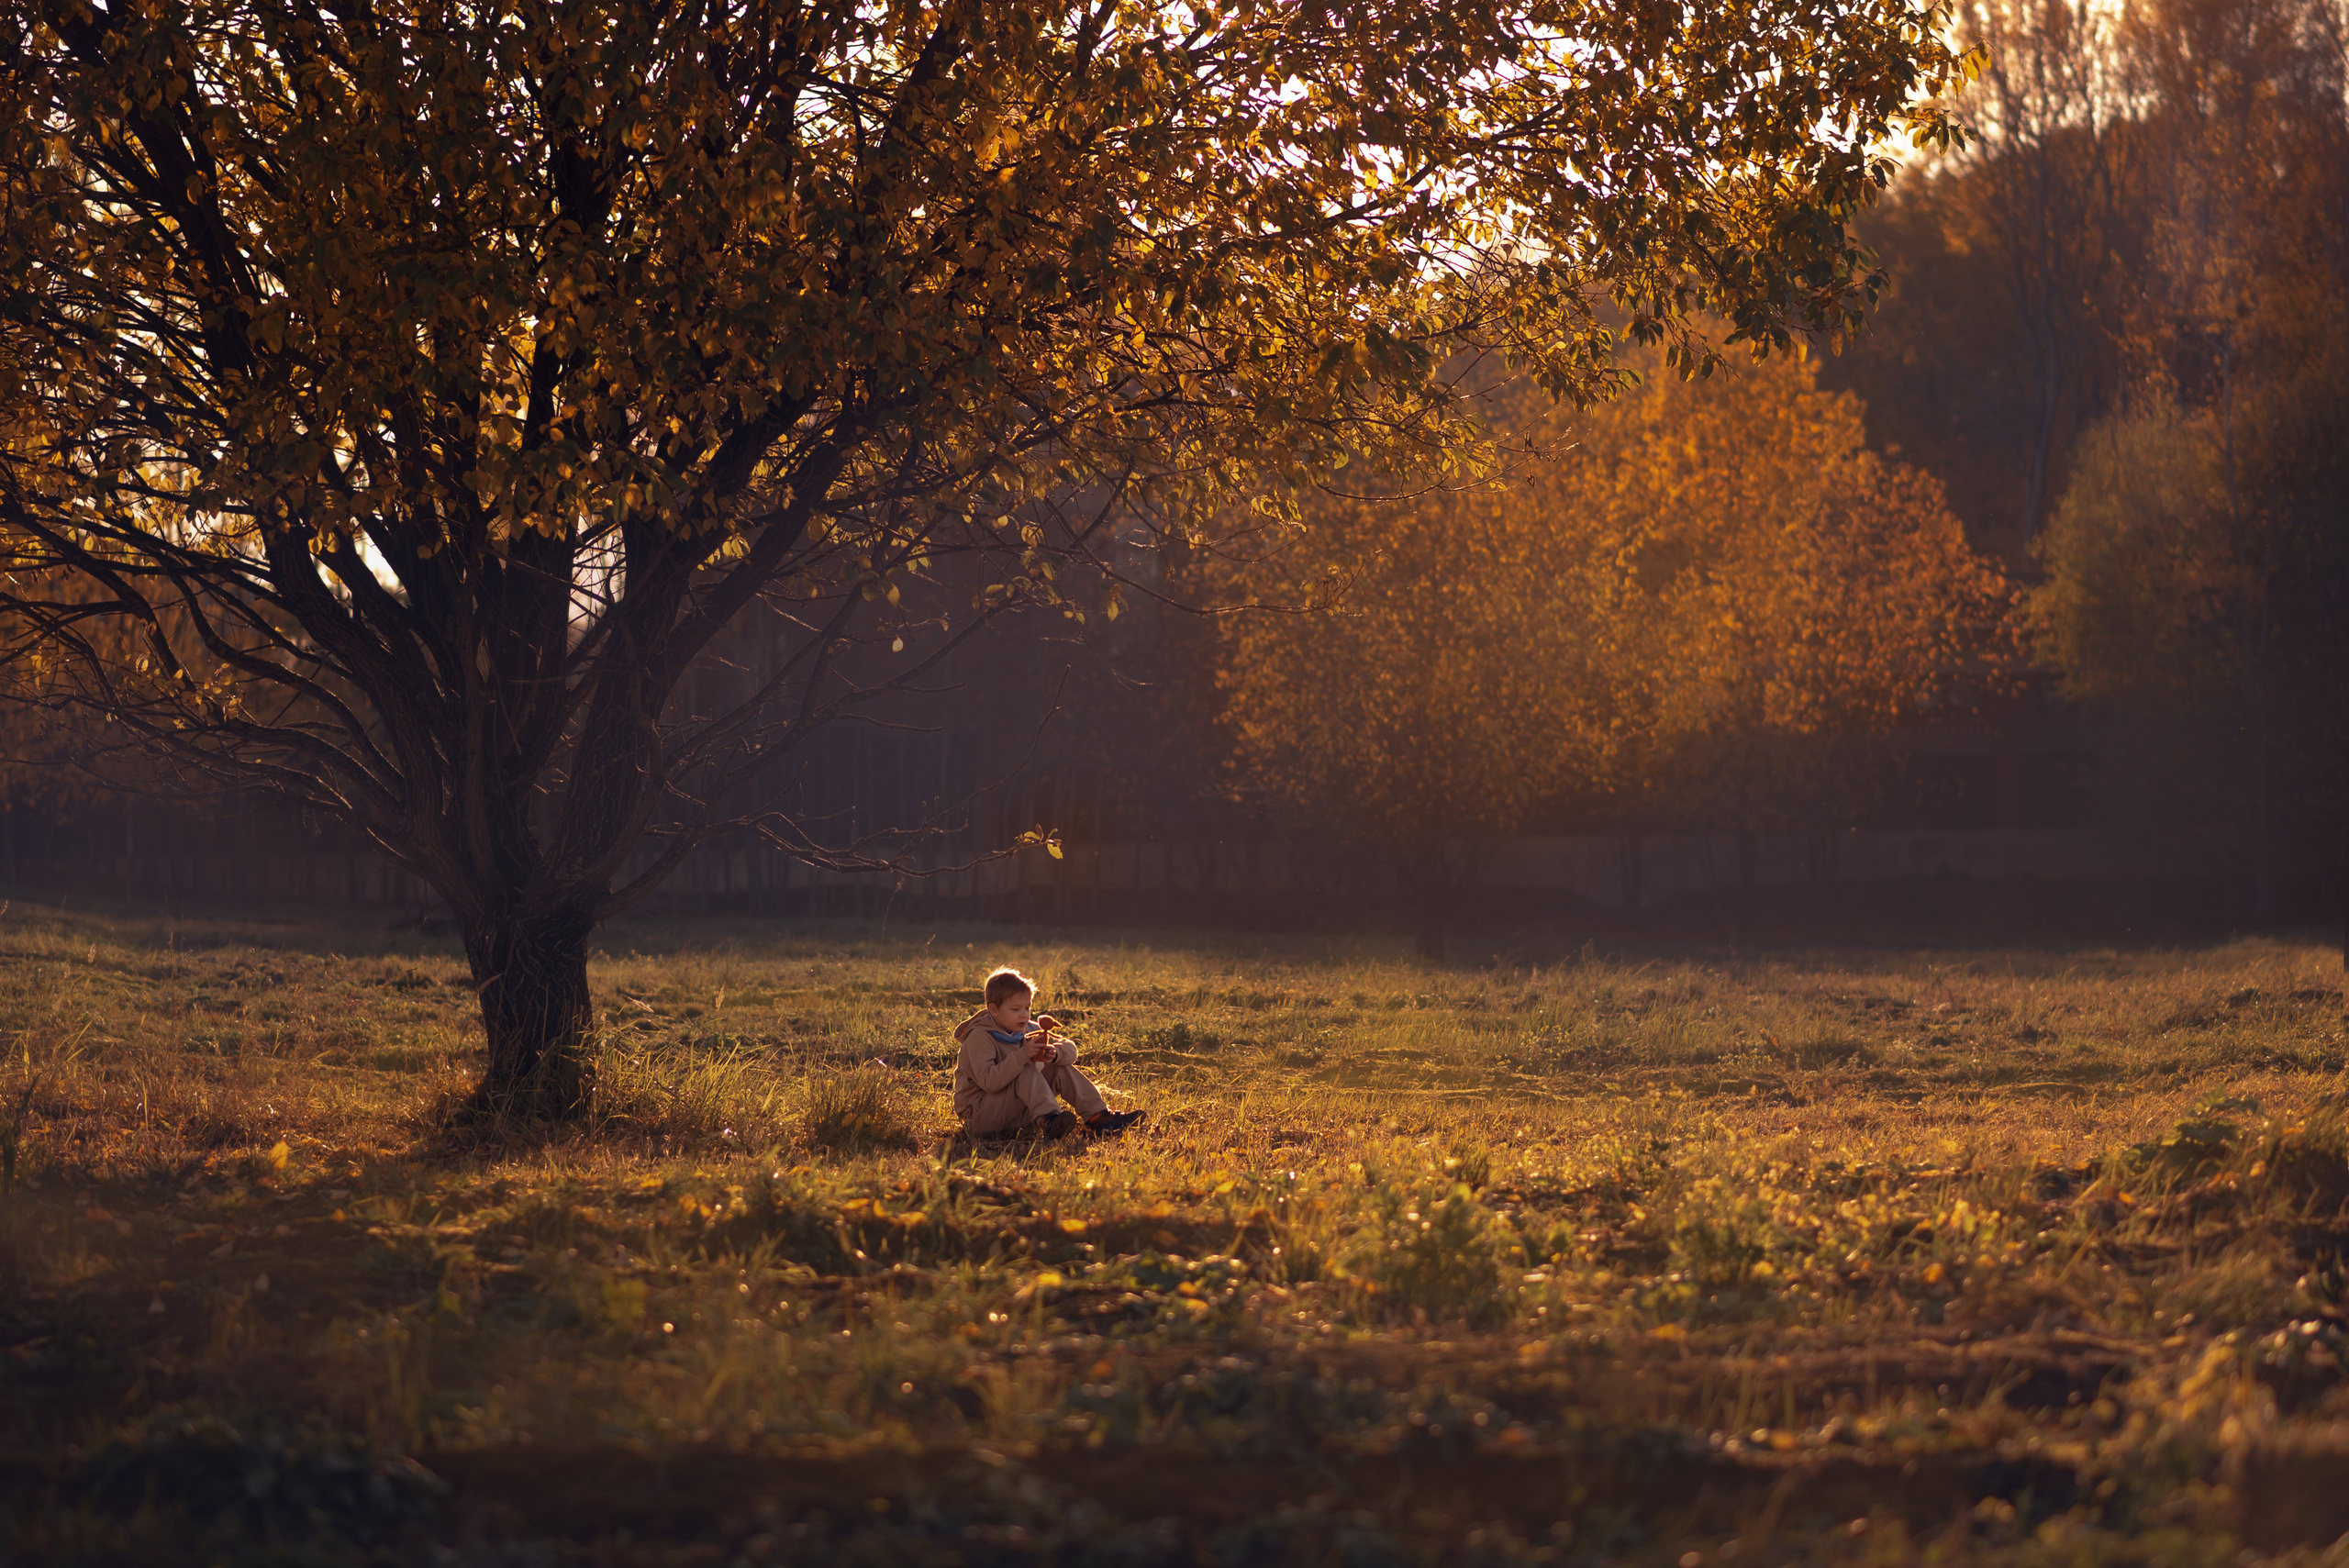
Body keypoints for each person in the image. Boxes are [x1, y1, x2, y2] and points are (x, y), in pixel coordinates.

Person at [953, 967, 1144, 1140]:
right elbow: (989, 1082)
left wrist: (1056, 1054)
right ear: (993, 1010)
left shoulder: (1027, 1028)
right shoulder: (979, 1037)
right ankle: (1050, 1121)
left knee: (1058, 1067)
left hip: (1017, 1109)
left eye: (1027, 1008)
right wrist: (1023, 1055)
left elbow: (1069, 1048)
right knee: (1025, 1069)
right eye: (1015, 1009)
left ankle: (1099, 1117)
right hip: (980, 1114)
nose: (1024, 1014)